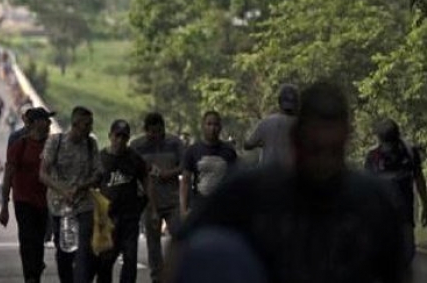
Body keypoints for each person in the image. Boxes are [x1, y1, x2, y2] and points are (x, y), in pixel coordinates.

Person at [166, 81, 410, 283]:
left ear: (346, 140)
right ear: (297, 139)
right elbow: (182, 246)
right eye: (315, 150)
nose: (323, 163)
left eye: (333, 151)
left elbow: (398, 272)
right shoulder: (251, 190)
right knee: (211, 248)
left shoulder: (370, 200)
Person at [40, 106, 102, 283]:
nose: (89, 128)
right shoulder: (55, 142)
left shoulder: (91, 144)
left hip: (84, 204)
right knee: (65, 252)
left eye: (91, 124)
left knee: (85, 250)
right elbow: (43, 173)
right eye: (86, 125)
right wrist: (62, 190)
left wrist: (83, 186)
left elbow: (98, 173)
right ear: (75, 124)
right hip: (60, 206)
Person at [0, 107, 54, 283]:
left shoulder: (52, 145)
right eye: (45, 120)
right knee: (27, 238)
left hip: (45, 201)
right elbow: (8, 175)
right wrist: (5, 207)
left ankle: (35, 273)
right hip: (23, 200)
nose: (49, 123)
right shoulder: (19, 145)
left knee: (39, 240)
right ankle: (30, 276)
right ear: (36, 123)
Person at [129, 112, 184, 283]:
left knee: (178, 237)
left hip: (172, 199)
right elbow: (132, 171)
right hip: (149, 201)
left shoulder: (175, 143)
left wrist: (170, 173)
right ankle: (157, 278)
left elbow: (184, 165)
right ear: (146, 131)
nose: (156, 136)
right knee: (153, 243)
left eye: (160, 131)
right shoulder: (137, 146)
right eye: (152, 132)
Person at [96, 120, 153, 283]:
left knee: (130, 259)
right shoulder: (101, 158)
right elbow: (93, 184)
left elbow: (146, 179)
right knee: (106, 260)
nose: (120, 140)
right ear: (110, 136)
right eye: (117, 136)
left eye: (124, 137)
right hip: (108, 218)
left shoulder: (134, 158)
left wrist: (148, 203)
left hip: (129, 217)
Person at [364, 117, 427, 264]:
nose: (388, 148)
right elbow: (366, 188)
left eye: (391, 142)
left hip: (405, 214)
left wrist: (425, 204)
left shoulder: (409, 153)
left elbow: (419, 180)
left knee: (407, 255)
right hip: (381, 216)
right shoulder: (373, 157)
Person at [179, 111, 237, 218]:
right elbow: (185, 182)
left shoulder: (229, 151)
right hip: (199, 206)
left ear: (220, 127)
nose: (212, 128)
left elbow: (235, 180)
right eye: (209, 124)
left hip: (223, 207)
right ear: (203, 126)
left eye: (216, 124)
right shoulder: (192, 151)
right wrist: (183, 210)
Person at [244, 84, 299, 167]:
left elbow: (247, 145)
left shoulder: (267, 122)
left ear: (279, 102)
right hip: (291, 174)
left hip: (267, 174)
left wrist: (263, 143)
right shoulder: (300, 125)